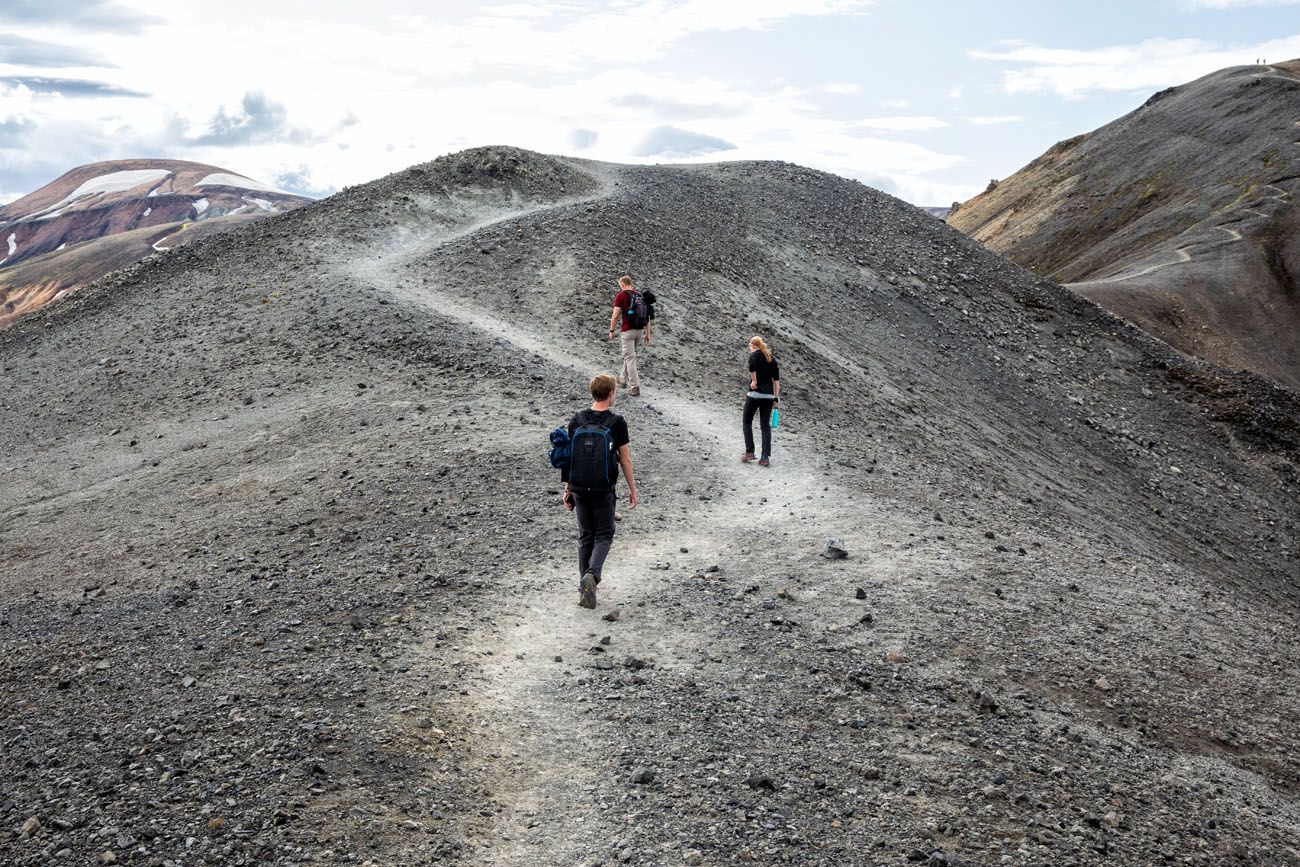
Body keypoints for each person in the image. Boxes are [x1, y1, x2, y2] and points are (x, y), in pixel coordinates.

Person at [561, 373, 639, 609]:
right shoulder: (616, 422)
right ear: (611, 393)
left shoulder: (577, 419)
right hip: (604, 487)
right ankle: (592, 577)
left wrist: (568, 488)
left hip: (579, 486)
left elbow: (570, 458)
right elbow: (624, 460)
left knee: (585, 535)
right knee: (604, 534)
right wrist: (632, 489)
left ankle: (584, 586)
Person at [608, 275, 651, 396]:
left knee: (630, 358)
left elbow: (615, 315)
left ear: (622, 284)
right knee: (630, 356)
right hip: (639, 330)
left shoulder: (621, 296)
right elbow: (647, 316)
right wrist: (647, 333)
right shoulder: (639, 296)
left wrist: (612, 331)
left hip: (627, 331)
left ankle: (635, 386)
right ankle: (622, 379)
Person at [741, 336, 780, 467]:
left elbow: (752, 368)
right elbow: (776, 382)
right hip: (769, 397)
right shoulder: (772, 359)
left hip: (754, 394)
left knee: (747, 421)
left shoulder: (754, 356)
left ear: (752, 346)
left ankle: (750, 452)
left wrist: (754, 381)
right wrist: (775, 397)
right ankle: (765, 457)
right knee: (765, 426)